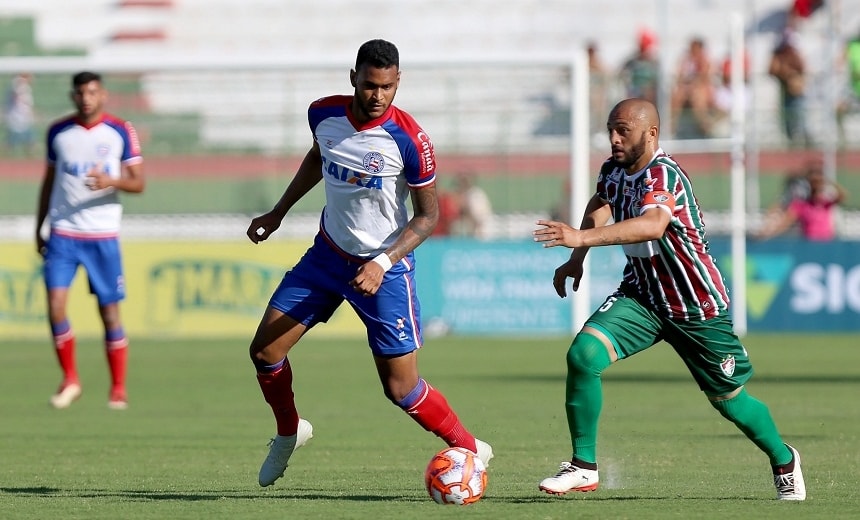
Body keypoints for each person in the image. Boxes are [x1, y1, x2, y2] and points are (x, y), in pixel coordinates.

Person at [245, 39, 493, 488]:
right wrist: (278, 212)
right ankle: (288, 432)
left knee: (401, 389)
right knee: (264, 350)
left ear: (398, 83)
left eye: (388, 87)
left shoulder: (410, 139)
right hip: (327, 256)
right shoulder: (322, 114)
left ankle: (471, 448)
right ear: (354, 77)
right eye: (370, 85)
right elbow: (319, 158)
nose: (378, 95)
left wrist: (382, 261)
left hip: (386, 268)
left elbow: (428, 216)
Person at [532, 98, 805, 500]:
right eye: (610, 128)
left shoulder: (664, 175)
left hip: (695, 305)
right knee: (583, 356)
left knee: (730, 402)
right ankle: (583, 466)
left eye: (623, 130)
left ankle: (784, 459)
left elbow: (653, 224)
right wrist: (577, 258)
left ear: (651, 133)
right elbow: (601, 201)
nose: (613, 138)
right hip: (642, 297)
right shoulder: (614, 169)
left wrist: (581, 238)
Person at [35, 71, 145, 410]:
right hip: (63, 233)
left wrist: (110, 180)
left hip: (102, 234)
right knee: (55, 306)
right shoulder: (58, 131)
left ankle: (118, 388)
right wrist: (39, 225)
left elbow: (138, 183)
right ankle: (70, 379)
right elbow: (49, 181)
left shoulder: (120, 131)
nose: (86, 98)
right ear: (73, 96)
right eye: (81, 92)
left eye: (92, 92)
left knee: (109, 313)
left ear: (103, 95)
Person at [756, 160, 847, 241]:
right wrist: (769, 233)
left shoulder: (825, 203)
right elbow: (786, 222)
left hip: (826, 241)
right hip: (809, 242)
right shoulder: (801, 206)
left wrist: (826, 181)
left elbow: (842, 195)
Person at [769, 27, 810, 147]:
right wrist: (785, 72)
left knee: (799, 119)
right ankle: (792, 144)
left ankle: (805, 143)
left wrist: (790, 73)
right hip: (784, 92)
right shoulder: (778, 56)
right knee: (787, 121)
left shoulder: (795, 55)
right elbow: (772, 70)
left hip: (796, 93)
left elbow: (801, 68)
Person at [669, 37, 715, 138]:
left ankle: (705, 126)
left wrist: (691, 84)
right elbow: (679, 77)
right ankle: (671, 125)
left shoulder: (705, 61)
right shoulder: (685, 61)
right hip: (687, 89)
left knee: (697, 96)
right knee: (678, 95)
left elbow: (704, 78)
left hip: (699, 90)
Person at [618, 29, 660, 105]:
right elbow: (621, 73)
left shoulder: (654, 63)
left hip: (650, 91)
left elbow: (657, 80)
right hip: (634, 90)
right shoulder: (632, 61)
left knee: (650, 94)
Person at [4, 72, 36, 155]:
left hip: (24, 118)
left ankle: (30, 157)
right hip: (16, 117)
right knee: (11, 141)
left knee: (30, 140)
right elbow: (15, 95)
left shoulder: (26, 88)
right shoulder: (18, 85)